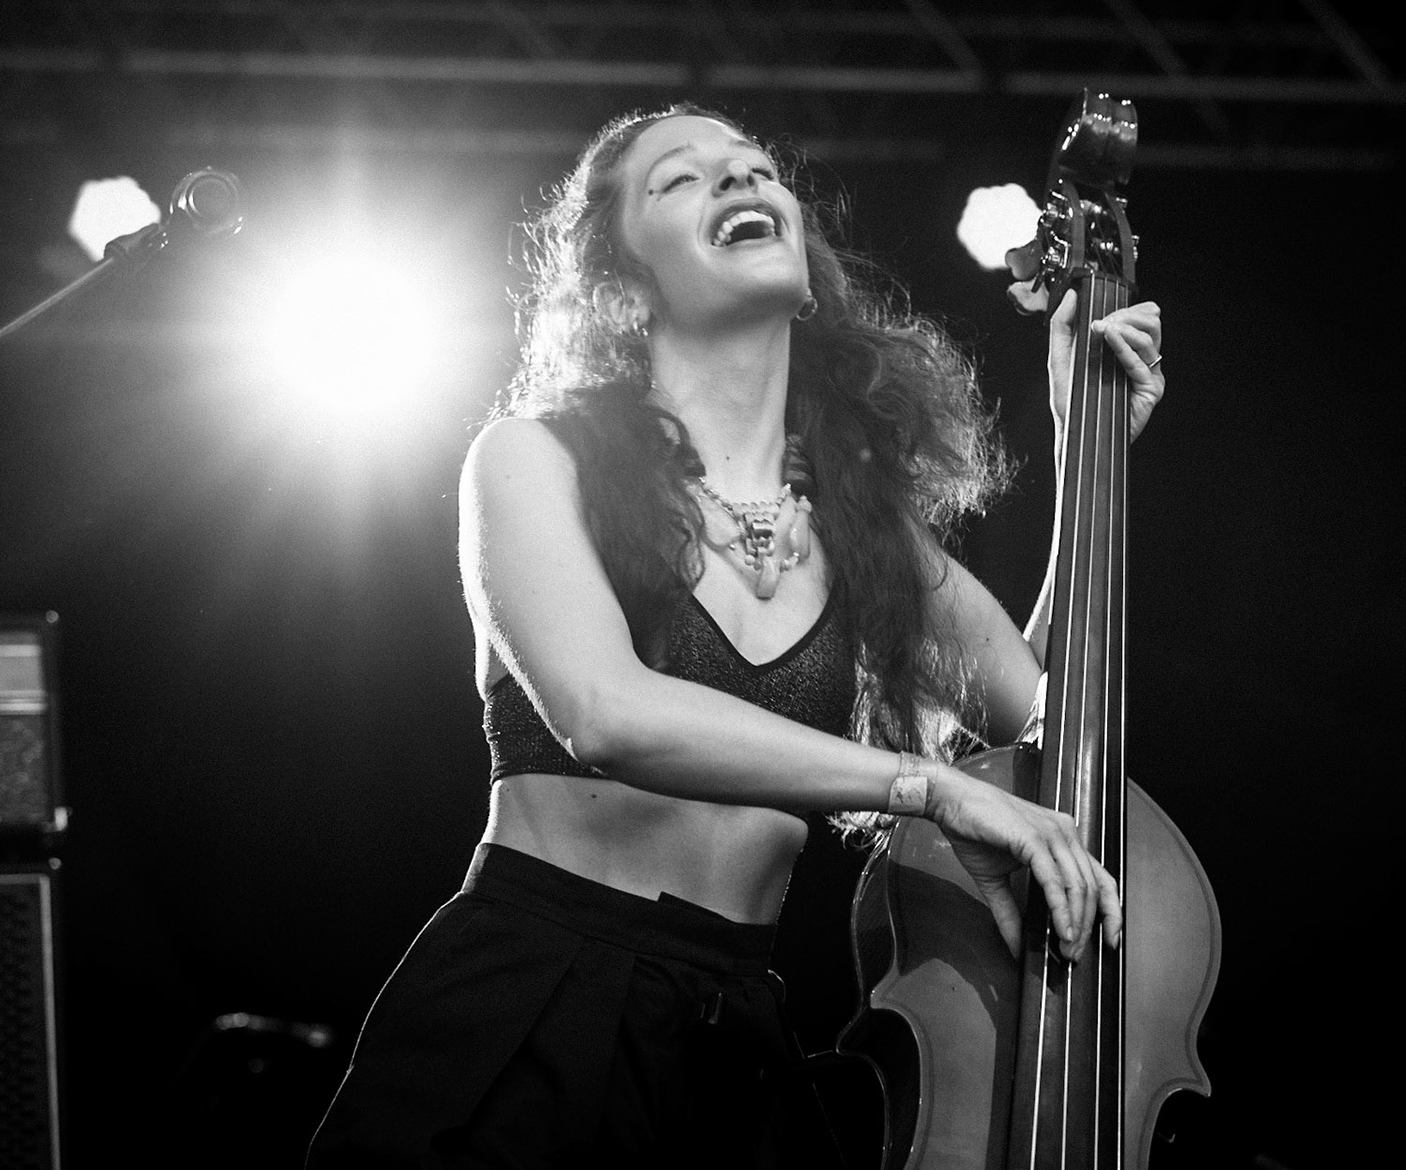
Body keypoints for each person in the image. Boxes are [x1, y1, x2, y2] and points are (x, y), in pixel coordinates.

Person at [308, 102, 1164, 1167]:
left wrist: (1088, 448)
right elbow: (603, 712)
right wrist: (926, 781)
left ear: (807, 270)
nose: (738, 180)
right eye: (681, 179)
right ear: (622, 280)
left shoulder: (858, 531)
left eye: (756, 167)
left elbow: (1043, 713)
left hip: (734, 1041)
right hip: (533, 998)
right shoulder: (533, 458)